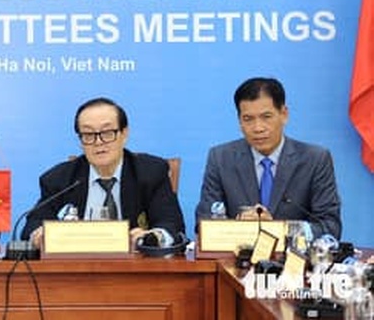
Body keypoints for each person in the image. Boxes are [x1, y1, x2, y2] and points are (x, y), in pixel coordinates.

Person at [22, 97, 185, 246]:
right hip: (76, 270)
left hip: (135, 270)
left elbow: (172, 225)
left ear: (124, 133)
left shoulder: (150, 172)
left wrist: (153, 237)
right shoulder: (59, 179)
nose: (98, 142)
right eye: (88, 134)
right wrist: (39, 235)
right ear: (80, 141)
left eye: (107, 133)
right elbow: (31, 227)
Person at [196, 77, 341, 238]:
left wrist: (279, 229)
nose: (258, 128)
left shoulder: (315, 159)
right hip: (238, 258)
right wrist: (239, 224)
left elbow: (330, 227)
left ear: (284, 114)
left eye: (266, 117)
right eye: (248, 119)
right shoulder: (221, 158)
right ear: (239, 122)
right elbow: (204, 222)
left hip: (294, 259)